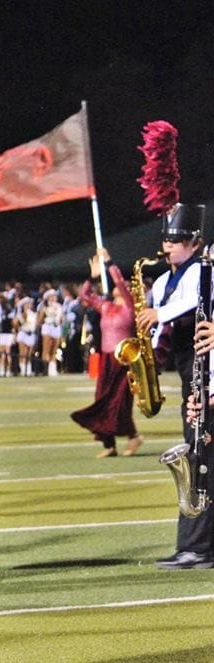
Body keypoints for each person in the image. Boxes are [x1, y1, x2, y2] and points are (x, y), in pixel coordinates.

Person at [138, 203, 213, 570]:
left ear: (195, 242)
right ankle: (195, 546)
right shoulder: (166, 278)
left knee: (200, 460)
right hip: (190, 374)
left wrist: (159, 314)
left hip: (207, 374)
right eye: (167, 238)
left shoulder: (203, 271)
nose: (169, 246)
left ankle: (196, 547)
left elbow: (190, 303)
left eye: (177, 240)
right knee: (199, 458)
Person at [70, 248, 141, 458]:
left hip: (125, 360)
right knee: (102, 399)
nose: (123, 287)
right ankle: (109, 445)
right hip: (107, 359)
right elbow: (84, 296)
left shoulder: (130, 306)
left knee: (119, 402)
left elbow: (119, 282)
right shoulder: (106, 306)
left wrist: (109, 263)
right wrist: (91, 278)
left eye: (127, 286)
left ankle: (133, 436)